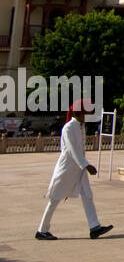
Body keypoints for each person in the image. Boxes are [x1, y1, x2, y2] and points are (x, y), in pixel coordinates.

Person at [36, 99, 113, 240]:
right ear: (79, 113)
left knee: (87, 195)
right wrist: (86, 165)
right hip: (67, 168)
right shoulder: (68, 127)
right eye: (85, 113)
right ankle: (42, 230)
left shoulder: (80, 126)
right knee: (55, 198)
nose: (87, 116)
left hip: (79, 168)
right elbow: (72, 150)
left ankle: (94, 226)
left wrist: (84, 165)